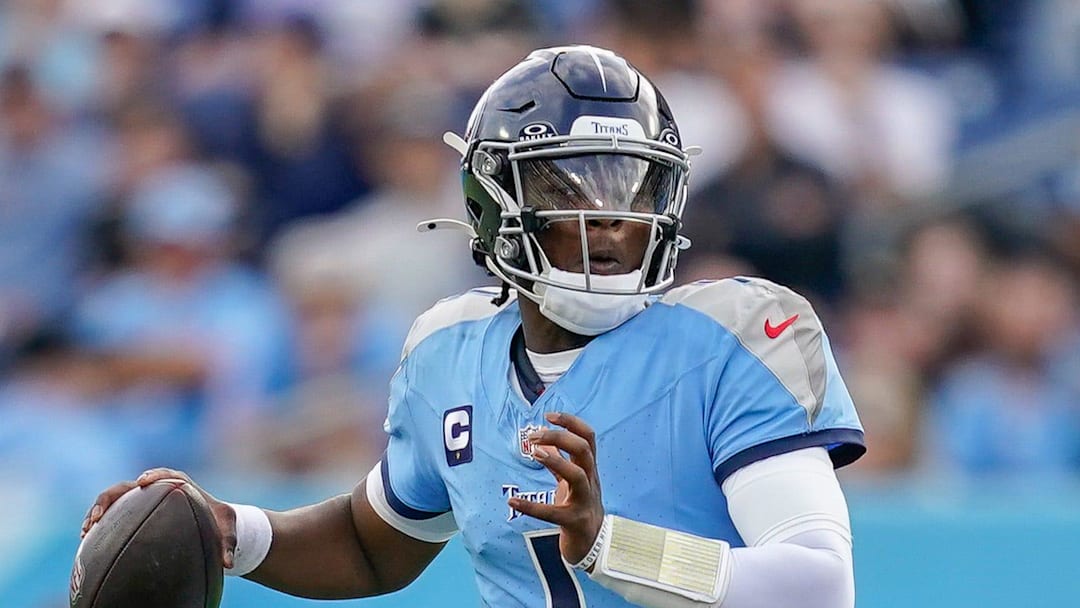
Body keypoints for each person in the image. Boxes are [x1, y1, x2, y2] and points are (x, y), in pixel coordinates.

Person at [81, 45, 865, 608]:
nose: (613, 220)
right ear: (495, 207)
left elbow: (817, 584)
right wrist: (236, 532)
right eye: (573, 186)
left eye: (635, 188)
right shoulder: (448, 352)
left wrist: (608, 546)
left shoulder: (739, 335)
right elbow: (370, 541)